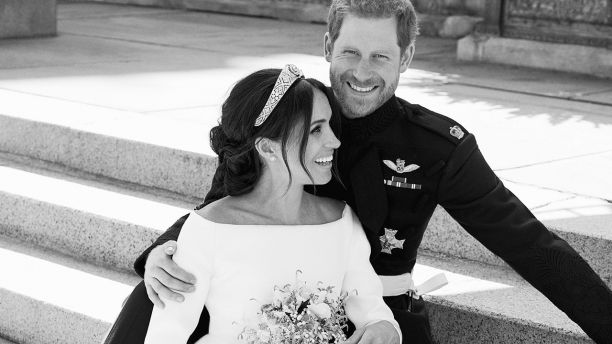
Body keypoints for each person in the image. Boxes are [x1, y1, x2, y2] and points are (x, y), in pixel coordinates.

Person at [114, 0, 612, 343]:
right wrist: (160, 254)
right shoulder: (287, 117)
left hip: (382, 318)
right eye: (350, 51)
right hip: (270, 314)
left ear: (407, 58)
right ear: (329, 45)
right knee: (162, 287)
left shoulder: (438, 146)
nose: (362, 71)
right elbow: (226, 207)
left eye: (380, 56)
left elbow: (532, 247)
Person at [106, 65, 401, 344]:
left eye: (329, 126)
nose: (335, 141)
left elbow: (371, 308)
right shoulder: (209, 228)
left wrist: (384, 328)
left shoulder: (341, 222)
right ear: (267, 147)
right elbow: (166, 334)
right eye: (316, 130)